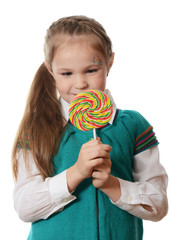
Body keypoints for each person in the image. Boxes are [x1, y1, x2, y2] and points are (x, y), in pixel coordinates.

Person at [12, 16, 168, 240]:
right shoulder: (37, 127)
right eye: (67, 73)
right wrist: (76, 173)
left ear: (109, 63)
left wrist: (113, 184)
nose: (80, 84)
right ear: (50, 69)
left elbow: (159, 205)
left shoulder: (133, 126)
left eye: (91, 70)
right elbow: (24, 207)